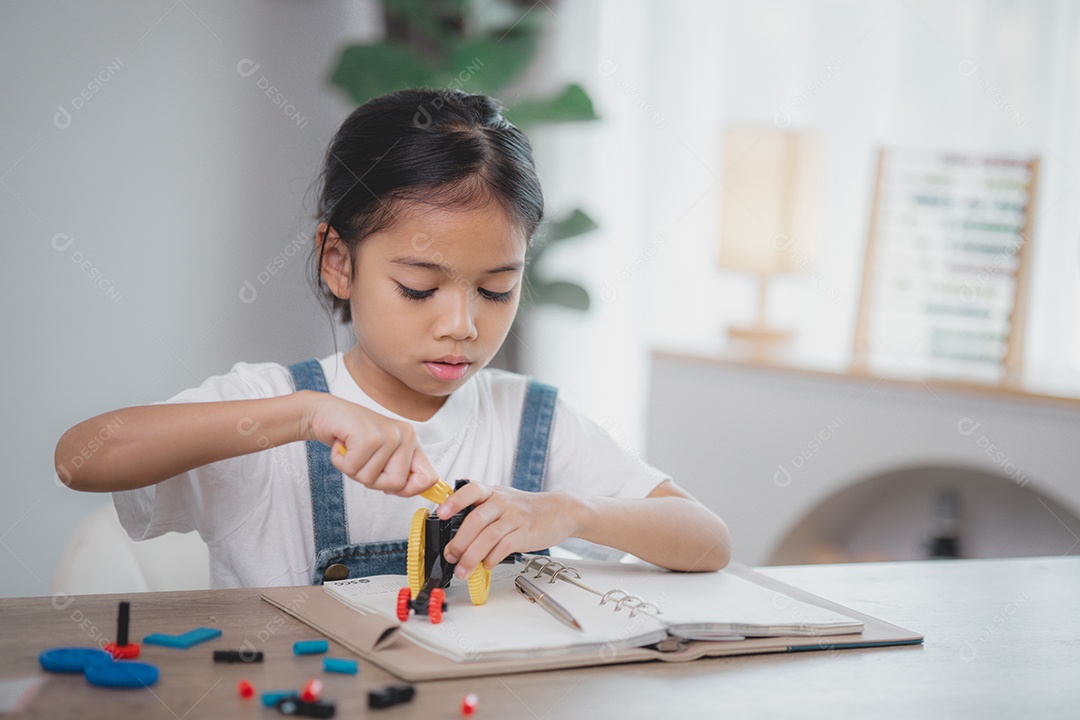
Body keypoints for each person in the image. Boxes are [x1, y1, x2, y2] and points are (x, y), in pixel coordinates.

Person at [55, 89, 730, 588]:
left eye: (496, 289)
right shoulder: (275, 406)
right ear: (338, 262)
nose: (461, 325)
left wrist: (573, 512)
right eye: (419, 287)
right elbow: (79, 456)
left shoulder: (530, 420)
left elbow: (708, 539)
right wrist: (303, 416)